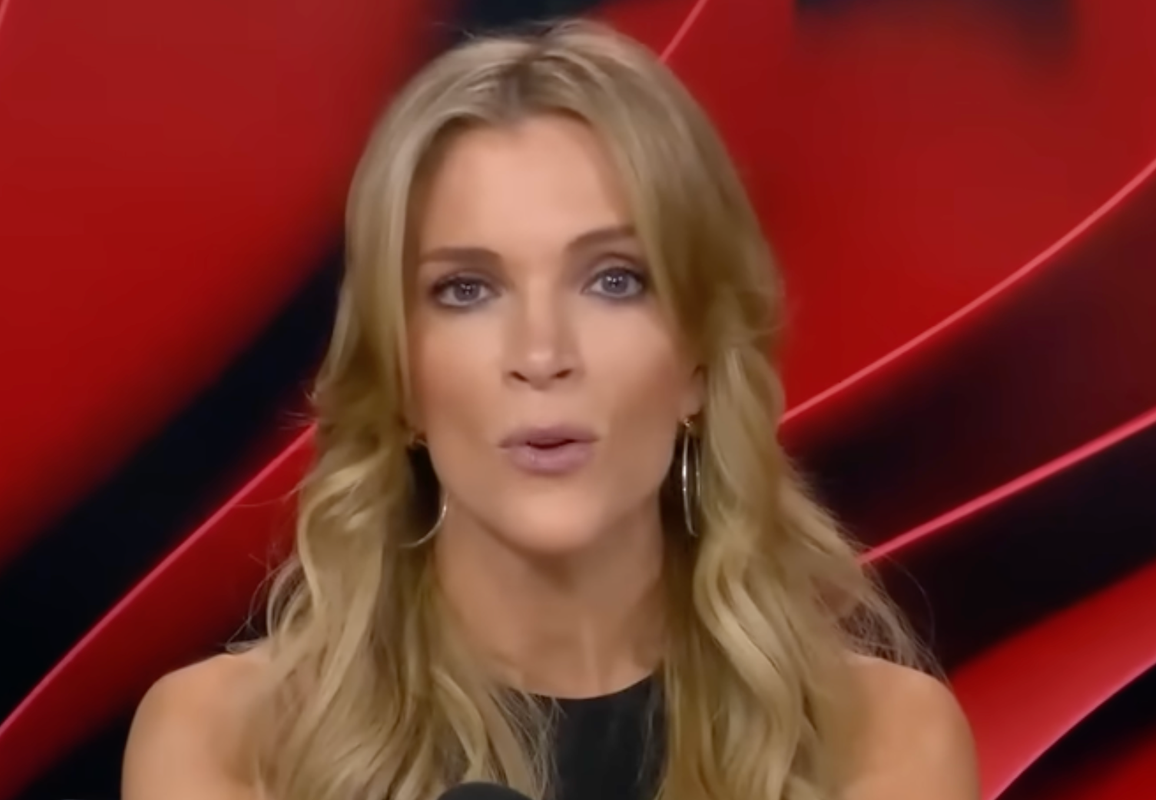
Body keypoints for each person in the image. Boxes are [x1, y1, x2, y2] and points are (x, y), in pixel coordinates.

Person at [121, 20, 979, 800]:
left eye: (614, 281)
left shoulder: (880, 745)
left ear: (696, 363)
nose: (541, 354)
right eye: (466, 289)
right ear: (401, 379)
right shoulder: (229, 748)